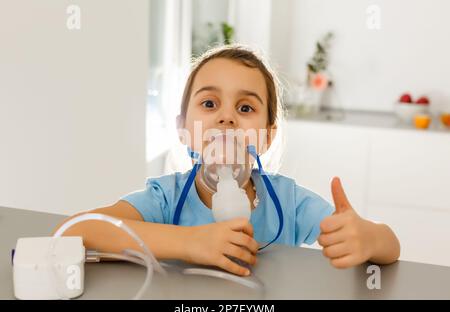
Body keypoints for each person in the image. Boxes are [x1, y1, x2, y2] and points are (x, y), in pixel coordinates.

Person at [54, 44, 400, 277]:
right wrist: (190, 243)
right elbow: (76, 230)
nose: (227, 118)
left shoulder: (288, 204)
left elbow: (390, 247)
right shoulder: (166, 198)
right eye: (209, 104)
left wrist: (366, 237)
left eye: (246, 108)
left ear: (266, 136)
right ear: (183, 129)